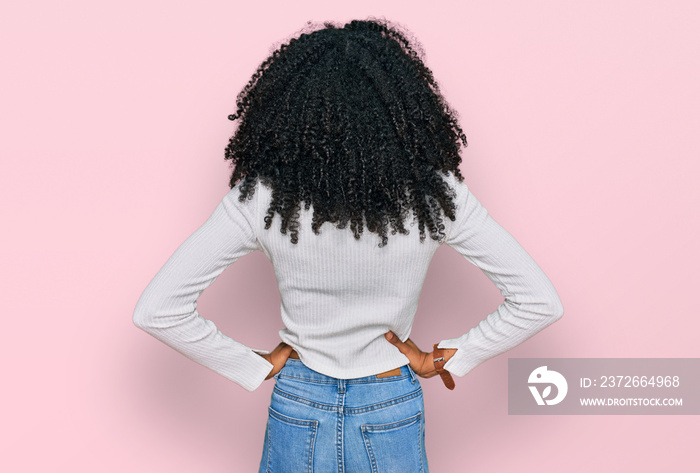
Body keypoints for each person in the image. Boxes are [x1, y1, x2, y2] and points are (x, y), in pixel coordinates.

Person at [132, 17, 564, 473]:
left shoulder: (261, 198)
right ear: (404, 106)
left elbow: (157, 310)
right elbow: (539, 302)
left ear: (289, 106)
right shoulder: (436, 196)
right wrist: (451, 356)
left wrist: (252, 364)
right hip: (389, 400)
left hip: (300, 402)